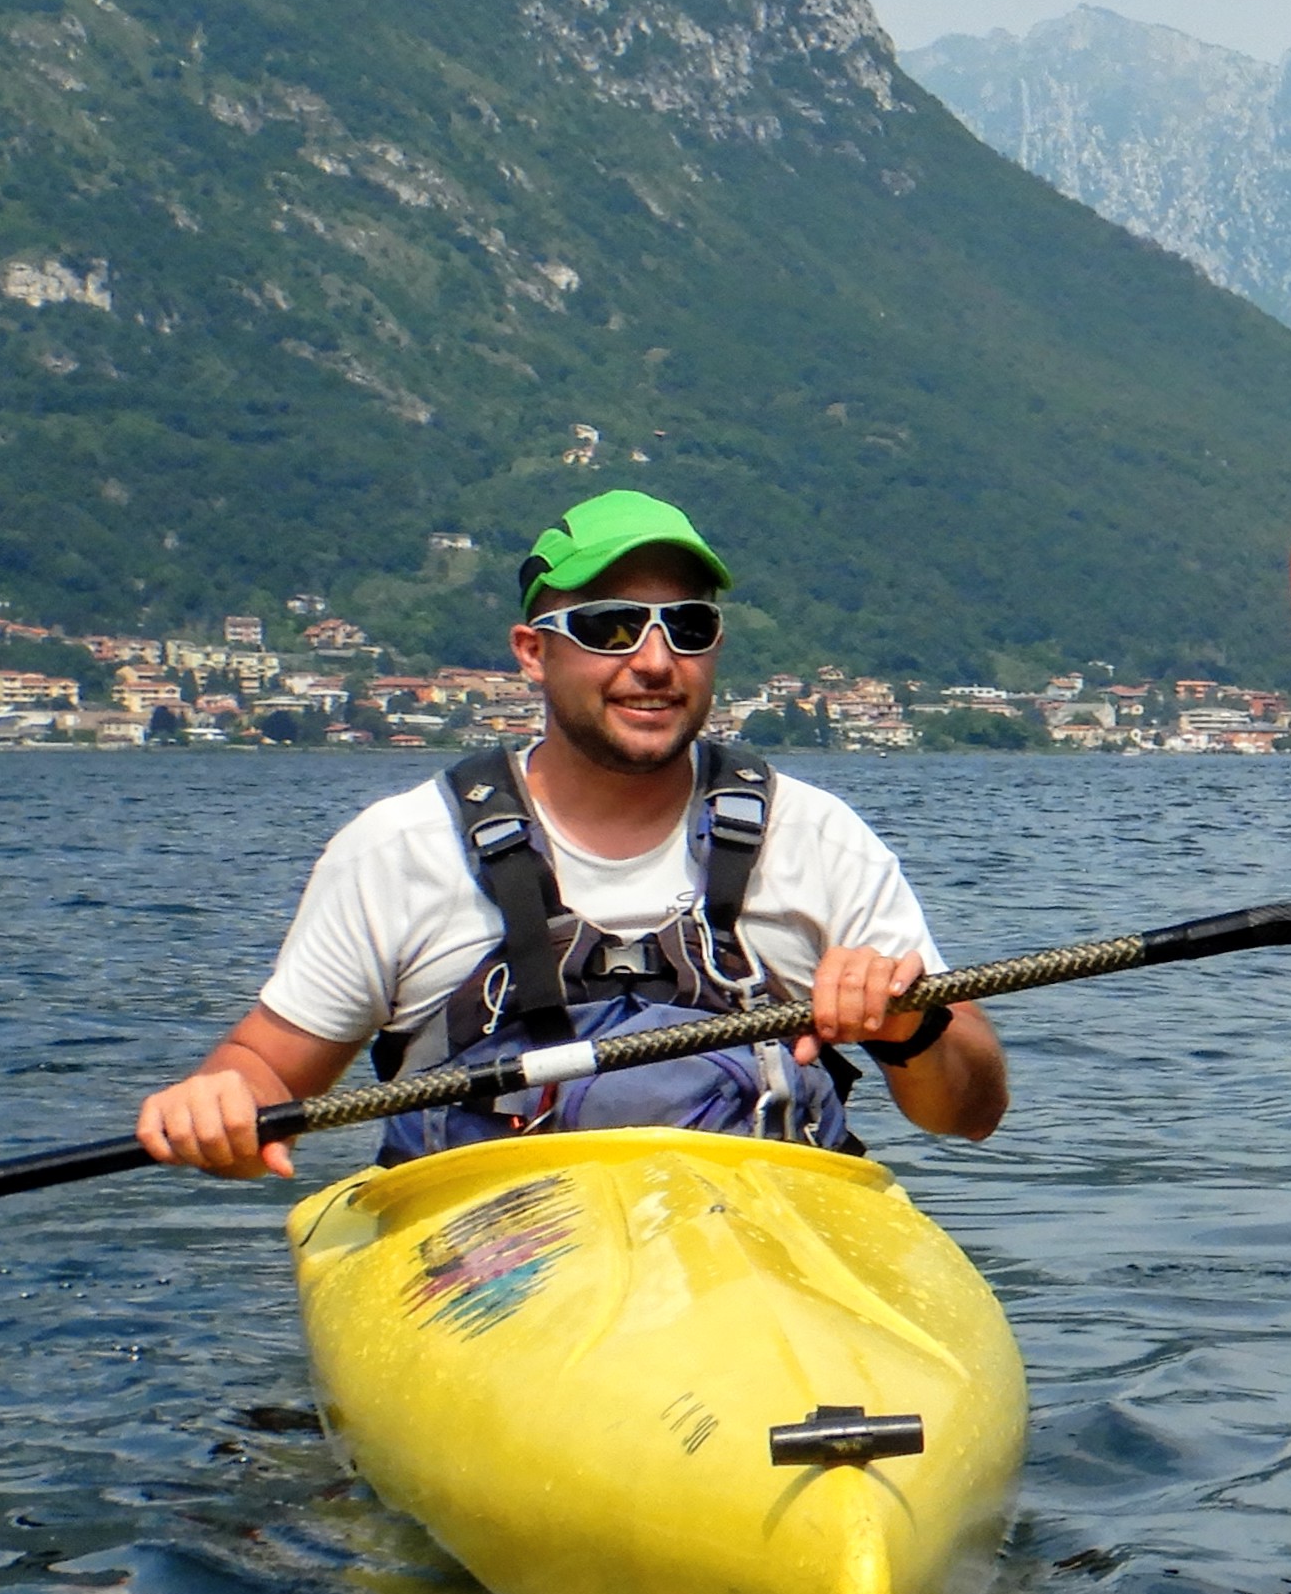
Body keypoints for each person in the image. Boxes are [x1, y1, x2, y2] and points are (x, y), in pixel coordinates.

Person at [136, 487, 1010, 1181]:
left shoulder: (818, 838)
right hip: (489, 1279)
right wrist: (220, 1104)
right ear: (531, 651)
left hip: (762, 1254)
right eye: (610, 627)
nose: (656, 662)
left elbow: (969, 1112)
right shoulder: (399, 851)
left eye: (688, 627)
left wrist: (914, 1030)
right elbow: (266, 1070)